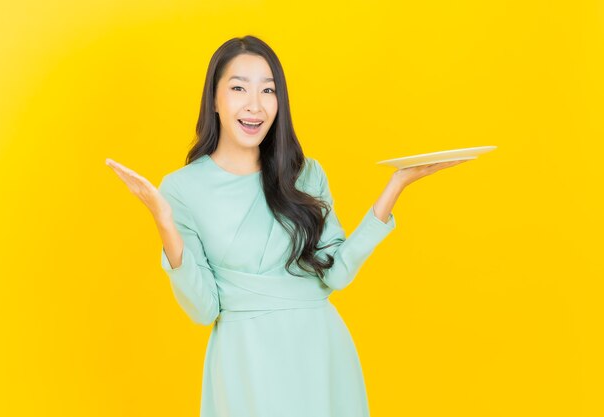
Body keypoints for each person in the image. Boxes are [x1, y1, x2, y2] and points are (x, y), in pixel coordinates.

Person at [106, 35, 467, 417]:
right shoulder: (181, 189)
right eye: (239, 88)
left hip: (319, 351)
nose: (255, 105)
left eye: (268, 90)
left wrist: (396, 185)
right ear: (214, 99)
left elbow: (337, 274)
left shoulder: (305, 174)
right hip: (244, 359)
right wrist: (163, 221)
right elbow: (203, 309)